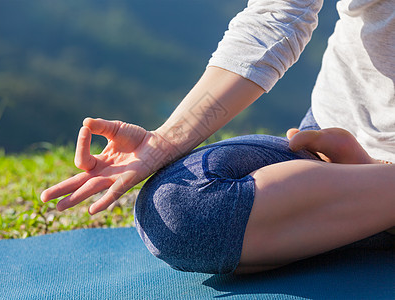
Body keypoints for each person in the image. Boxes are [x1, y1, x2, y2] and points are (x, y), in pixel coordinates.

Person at [40, 0, 394, 274]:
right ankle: (370, 193)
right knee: (181, 208)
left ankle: (372, 188)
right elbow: (277, 14)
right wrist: (166, 141)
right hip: (324, 137)